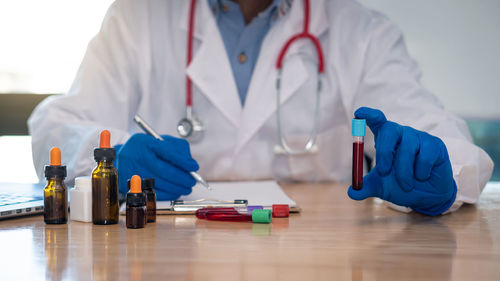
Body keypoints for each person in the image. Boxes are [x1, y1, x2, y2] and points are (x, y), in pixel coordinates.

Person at [28, 0, 493, 215]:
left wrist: (440, 171)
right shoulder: (139, 16)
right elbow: (58, 123)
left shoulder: (361, 31)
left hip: (314, 256)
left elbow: (441, 133)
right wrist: (112, 154)